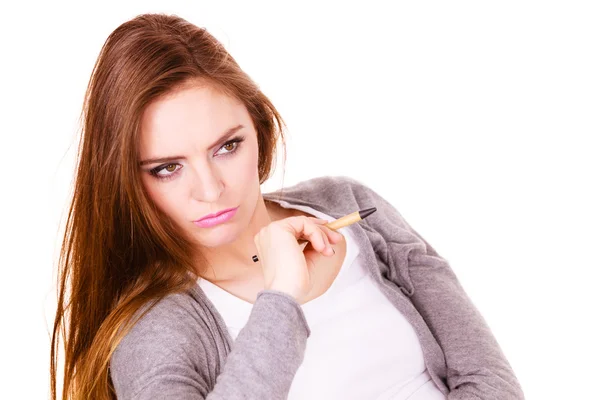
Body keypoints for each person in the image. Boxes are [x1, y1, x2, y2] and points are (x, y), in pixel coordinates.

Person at [50, 13, 525, 400]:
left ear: (258, 129)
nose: (211, 189)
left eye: (227, 147)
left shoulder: (347, 204)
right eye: (167, 168)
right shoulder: (154, 328)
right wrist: (280, 300)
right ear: (127, 182)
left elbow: (494, 383)